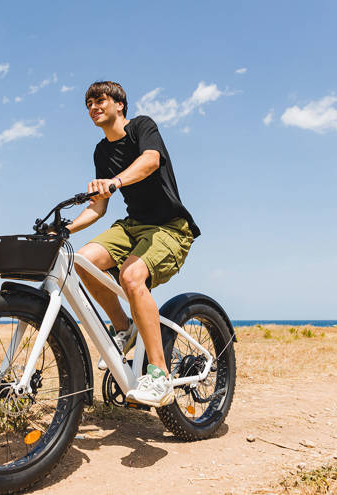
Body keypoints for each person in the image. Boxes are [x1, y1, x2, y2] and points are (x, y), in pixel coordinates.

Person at [66, 81, 201, 407]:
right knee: (82, 261)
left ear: (119, 105)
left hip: (171, 227)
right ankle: (124, 327)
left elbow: (151, 161)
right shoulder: (101, 151)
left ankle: (159, 375)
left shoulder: (142, 126)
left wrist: (115, 181)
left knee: (130, 276)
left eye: (99, 100)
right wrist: (66, 228)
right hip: (133, 226)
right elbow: (98, 206)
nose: (93, 108)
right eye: (88, 104)